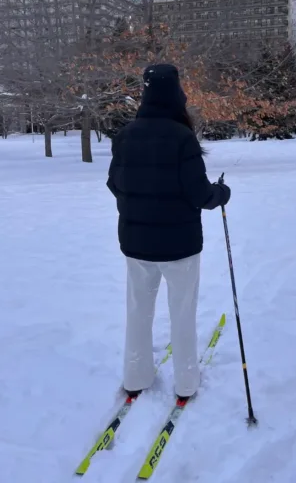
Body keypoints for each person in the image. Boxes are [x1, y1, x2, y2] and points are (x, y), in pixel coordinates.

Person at [106, 63, 231, 400]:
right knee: (182, 313)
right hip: (180, 248)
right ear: (176, 95)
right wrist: (223, 194)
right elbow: (200, 194)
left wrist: (135, 203)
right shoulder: (182, 138)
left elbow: (114, 183)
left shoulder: (126, 135)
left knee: (138, 312)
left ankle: (136, 376)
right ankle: (186, 382)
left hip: (136, 245)